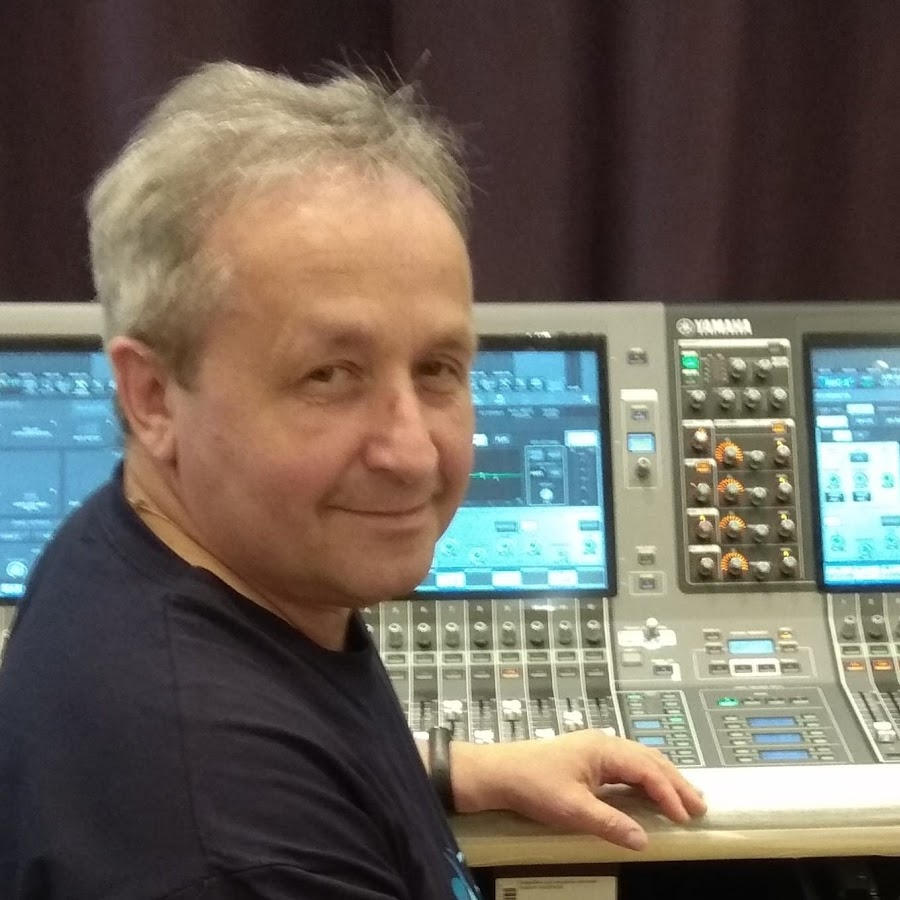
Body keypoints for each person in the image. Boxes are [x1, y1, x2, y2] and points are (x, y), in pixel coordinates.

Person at [0, 61, 705, 898]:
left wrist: (449, 771)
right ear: (151, 397)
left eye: (438, 368)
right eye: (330, 376)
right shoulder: (225, 835)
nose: (412, 455)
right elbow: (228, 817)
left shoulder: (141, 552)